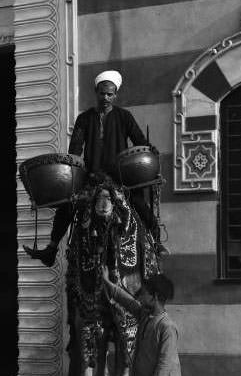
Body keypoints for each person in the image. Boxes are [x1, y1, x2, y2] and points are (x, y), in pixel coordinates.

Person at [25, 69, 166, 266]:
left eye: (110, 94)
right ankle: (51, 248)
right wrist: (72, 166)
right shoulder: (84, 118)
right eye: (102, 93)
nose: (106, 97)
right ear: (95, 92)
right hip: (91, 177)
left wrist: (150, 150)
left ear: (115, 94)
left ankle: (156, 241)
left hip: (120, 178)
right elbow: (75, 149)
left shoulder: (125, 117)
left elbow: (139, 141)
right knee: (67, 205)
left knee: (140, 204)